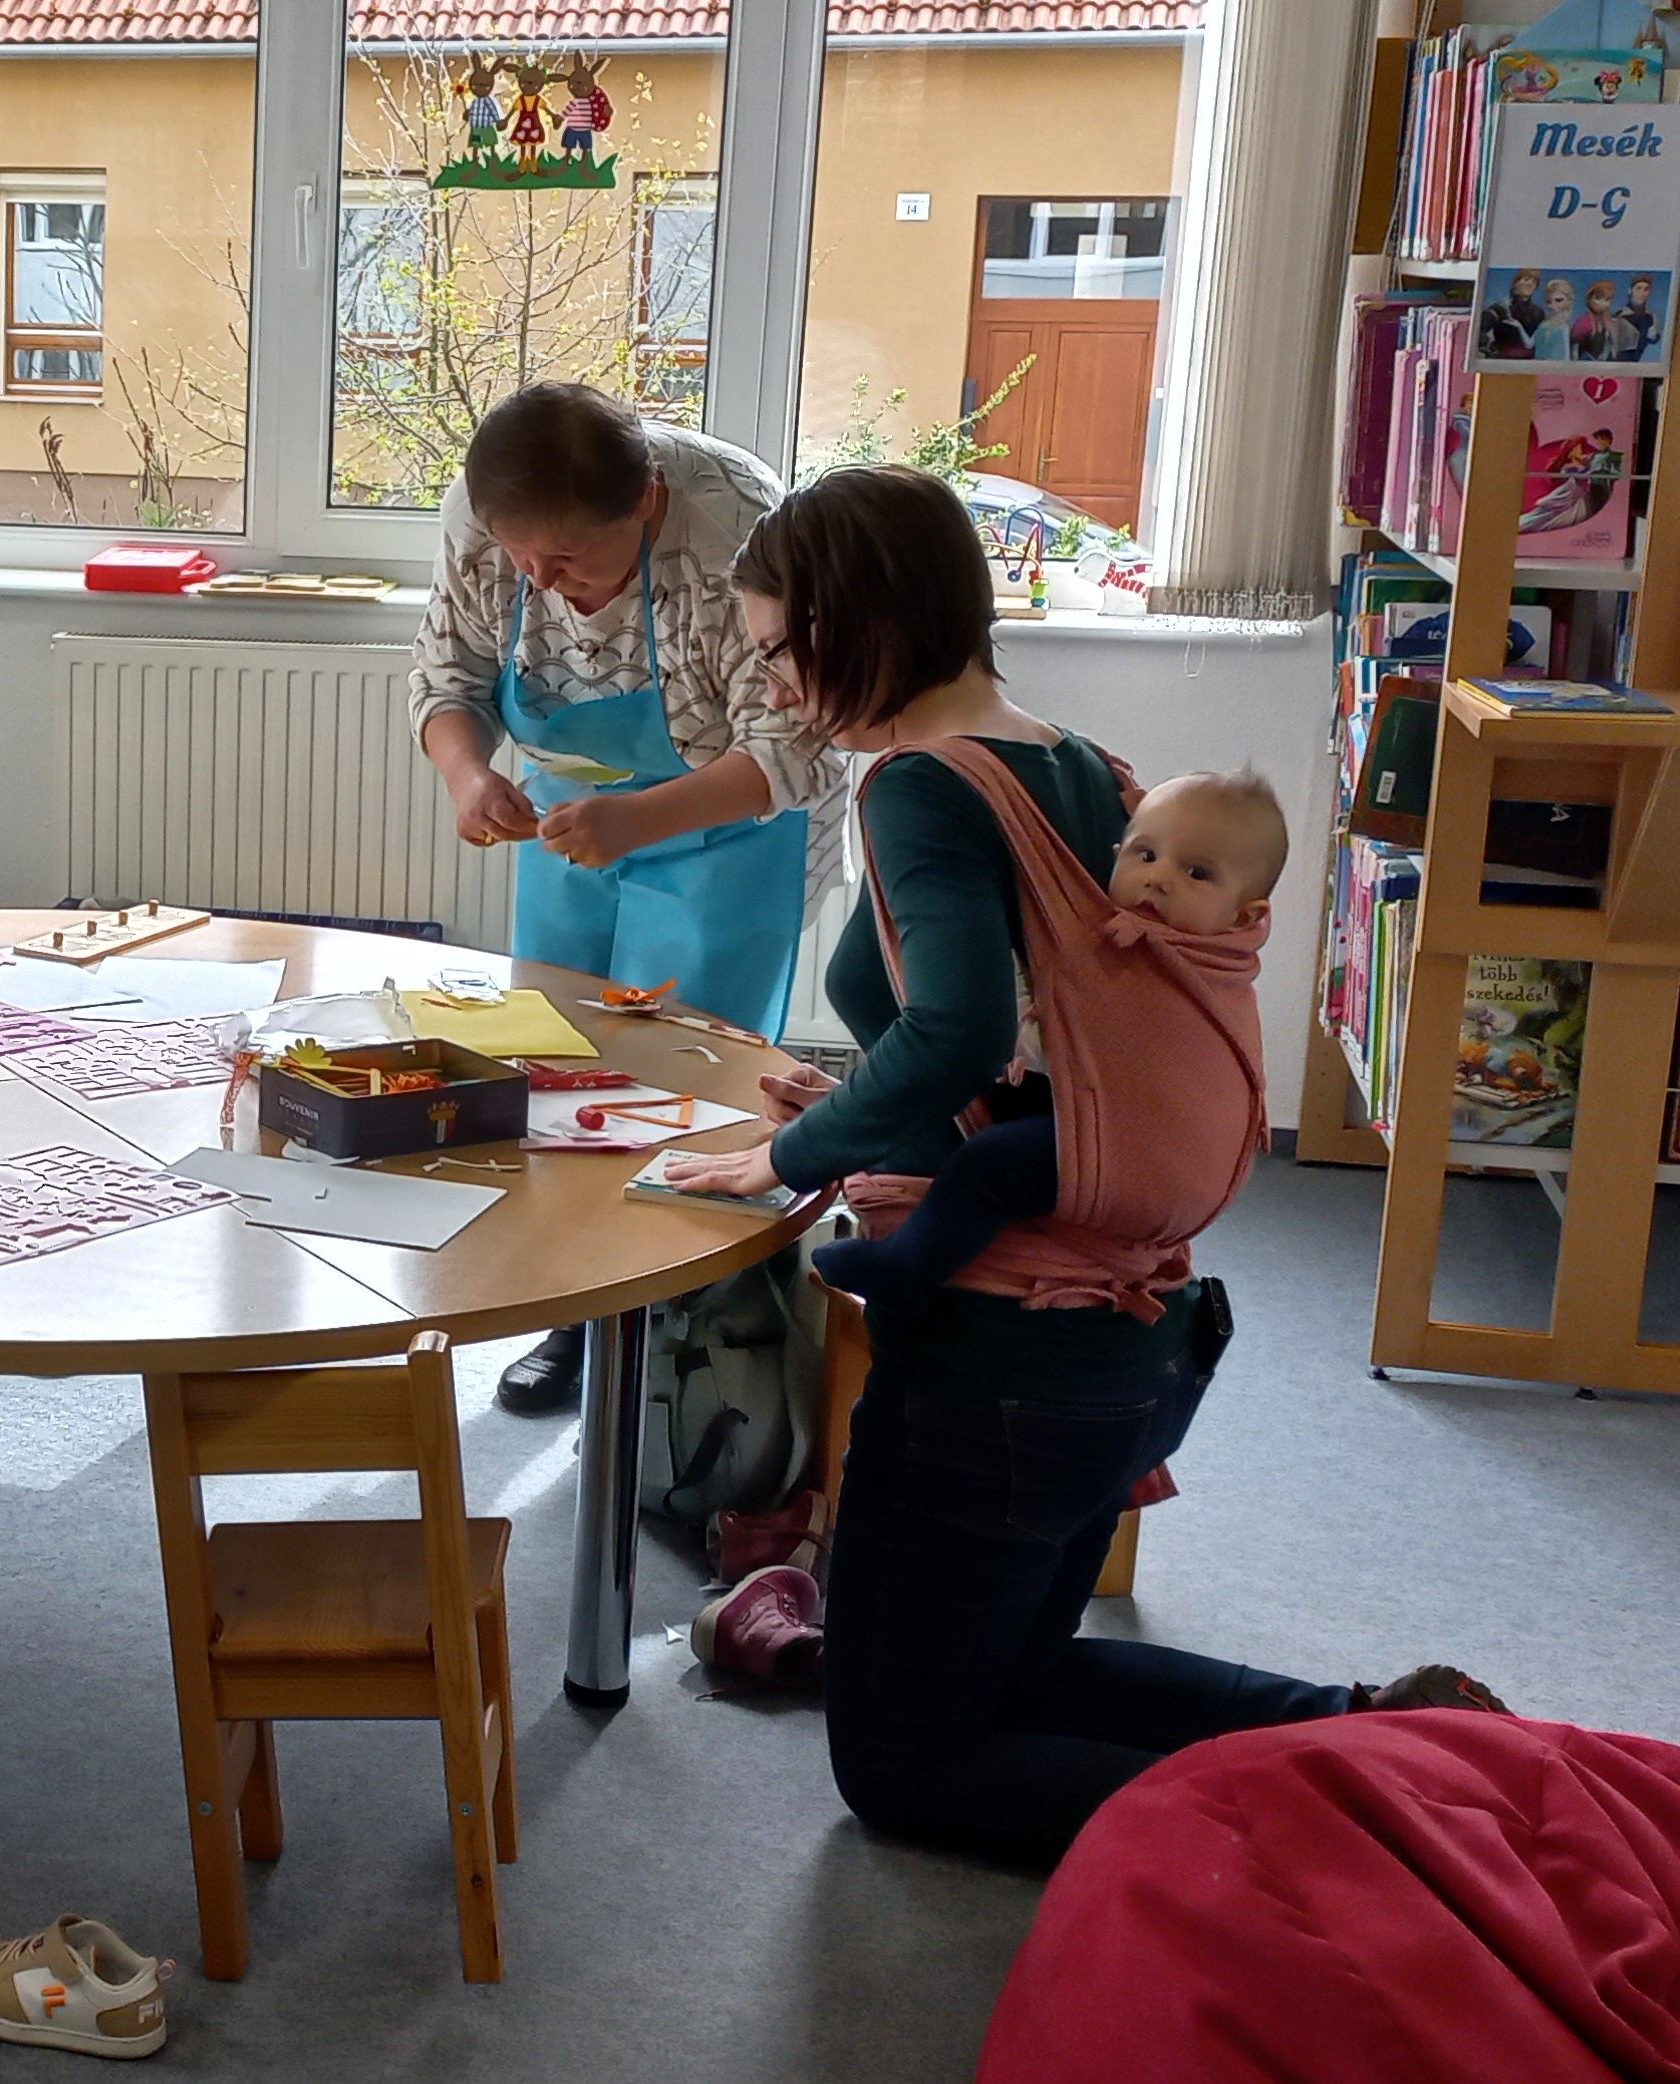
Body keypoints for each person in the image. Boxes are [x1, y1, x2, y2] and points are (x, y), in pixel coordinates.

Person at [650, 467, 1499, 1870]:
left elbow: (958, 1029)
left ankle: (1341, 1839)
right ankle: (1382, 1732)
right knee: (1014, 1681)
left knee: (906, 1771)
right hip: (1122, 1343)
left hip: (1005, 1358)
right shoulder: (1082, 767)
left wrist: (786, 1156)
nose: (780, 688)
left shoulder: (922, 787)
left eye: (784, 650)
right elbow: (1041, 1049)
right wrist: (858, 1100)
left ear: (859, 619)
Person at [409, 380, 837, 1415]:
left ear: (645, 502)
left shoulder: (740, 529)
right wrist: (468, 777)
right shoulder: (490, 516)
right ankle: (573, 1310)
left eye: (566, 560)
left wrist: (640, 821)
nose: (538, 580)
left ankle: (685, 1344)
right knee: (556, 1063)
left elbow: (793, 742)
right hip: (572, 815)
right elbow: (448, 678)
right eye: (519, 555)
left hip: (732, 827)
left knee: (693, 1080)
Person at [809, 768, 1289, 1306]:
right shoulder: (1143, 941)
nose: (1159, 878)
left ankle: (905, 1265)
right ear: (1117, 854)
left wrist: (991, 1009)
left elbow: (1073, 1046)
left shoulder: (1182, 970)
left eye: (1197, 872)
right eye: (1146, 854)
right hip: (1120, 1132)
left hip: (1147, 1159)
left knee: (989, 1165)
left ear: (1245, 915)